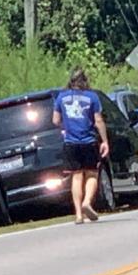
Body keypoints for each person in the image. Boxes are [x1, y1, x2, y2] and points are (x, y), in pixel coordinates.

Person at [53, 68, 110, 224]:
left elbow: (55, 120)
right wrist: (104, 141)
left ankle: (78, 214)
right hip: (89, 141)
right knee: (92, 174)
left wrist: (65, 127)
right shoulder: (92, 97)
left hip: (70, 142)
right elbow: (98, 120)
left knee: (76, 176)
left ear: (70, 81)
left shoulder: (61, 97)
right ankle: (87, 202)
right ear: (85, 80)